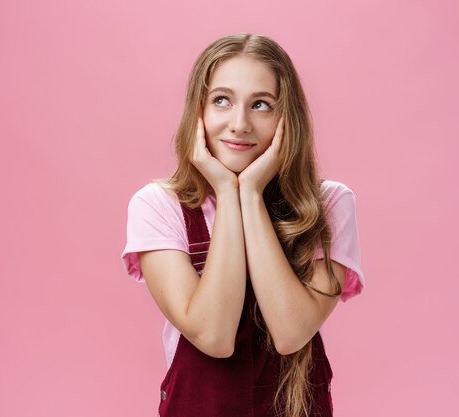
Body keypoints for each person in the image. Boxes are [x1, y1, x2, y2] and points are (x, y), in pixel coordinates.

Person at [121, 33, 365, 417]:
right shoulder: (158, 206)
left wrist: (249, 192)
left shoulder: (330, 203)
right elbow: (213, 335)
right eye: (222, 100)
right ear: (198, 111)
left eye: (261, 105)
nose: (240, 123)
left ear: (287, 118)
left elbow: (290, 332)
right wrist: (224, 187)